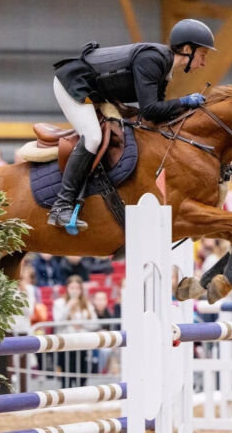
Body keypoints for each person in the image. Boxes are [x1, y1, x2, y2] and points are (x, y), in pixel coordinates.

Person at [48, 19, 215, 233]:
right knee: (93, 137)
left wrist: (188, 111)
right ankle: (61, 205)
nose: (204, 63)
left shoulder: (164, 69)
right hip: (74, 83)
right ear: (187, 49)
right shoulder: (152, 59)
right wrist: (184, 101)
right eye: (203, 55)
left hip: (96, 92)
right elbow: (150, 109)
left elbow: (156, 116)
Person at [52, 275, 97, 387]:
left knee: (82, 379)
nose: (74, 291)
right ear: (67, 288)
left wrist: (81, 323)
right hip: (66, 345)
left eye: (77, 288)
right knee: (66, 379)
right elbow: (57, 323)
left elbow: (95, 324)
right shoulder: (59, 303)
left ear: (81, 290)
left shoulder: (87, 304)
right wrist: (68, 307)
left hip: (82, 345)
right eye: (72, 288)